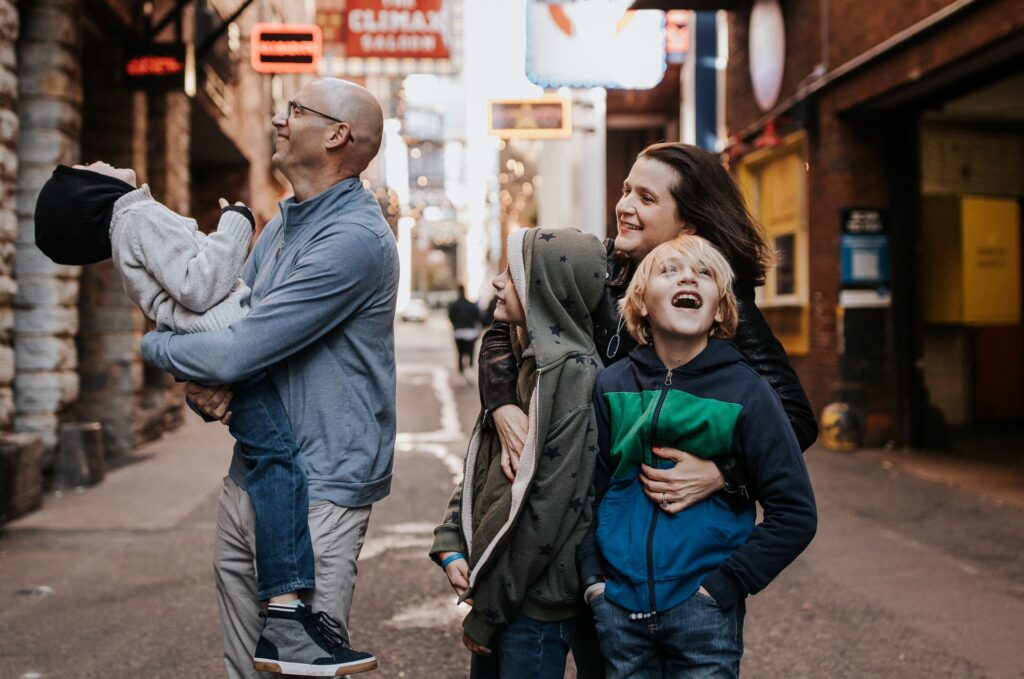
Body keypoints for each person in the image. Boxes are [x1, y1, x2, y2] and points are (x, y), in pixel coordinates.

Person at [32, 161, 358, 675]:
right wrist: (238, 224)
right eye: (87, 167)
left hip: (222, 349)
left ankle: (285, 617)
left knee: (273, 459)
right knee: (279, 463)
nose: (98, 161)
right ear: (90, 190)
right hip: (235, 352)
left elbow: (187, 282)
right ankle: (287, 616)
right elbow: (201, 285)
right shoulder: (136, 217)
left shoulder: (132, 224)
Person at [140, 78, 397, 678]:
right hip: (253, 472)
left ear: (338, 135)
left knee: (297, 671)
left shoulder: (354, 240)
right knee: (246, 668)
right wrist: (206, 387)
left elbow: (236, 351)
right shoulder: (282, 225)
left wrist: (156, 346)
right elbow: (226, 327)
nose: (280, 121)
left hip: (321, 489)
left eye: (295, 111)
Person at [479, 141, 817, 508]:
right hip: (580, 493)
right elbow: (505, 331)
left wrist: (723, 473)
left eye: (646, 198)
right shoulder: (597, 264)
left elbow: (795, 418)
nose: (624, 207)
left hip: (673, 520)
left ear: (687, 222)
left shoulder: (717, 297)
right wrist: (502, 406)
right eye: (626, 191)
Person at [580, 235, 817, 677]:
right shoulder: (611, 385)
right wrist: (595, 581)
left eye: (704, 274)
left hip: (704, 610)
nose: (688, 276)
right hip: (618, 607)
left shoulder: (748, 392)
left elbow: (795, 512)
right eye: (669, 271)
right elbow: (592, 491)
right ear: (641, 304)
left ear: (723, 310)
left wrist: (724, 585)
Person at [430, 227, 608, 679]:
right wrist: (451, 540)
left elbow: (548, 511)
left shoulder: (573, 376)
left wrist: (488, 611)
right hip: (503, 590)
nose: (496, 282)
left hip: (532, 604)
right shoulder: (525, 362)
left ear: (544, 289)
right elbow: (482, 463)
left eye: (511, 274)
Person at [448, 284, 483, 375]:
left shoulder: (454, 305)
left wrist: (456, 325)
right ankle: (470, 368)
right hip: (470, 332)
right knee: (470, 351)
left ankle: (461, 371)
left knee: (460, 353)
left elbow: (451, 317)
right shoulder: (471, 305)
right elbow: (478, 317)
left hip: (458, 332)